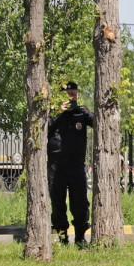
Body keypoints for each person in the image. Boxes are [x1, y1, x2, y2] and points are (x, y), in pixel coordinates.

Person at [47, 81, 92, 247]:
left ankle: (80, 237)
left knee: (80, 202)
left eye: (72, 94)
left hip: (76, 164)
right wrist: (58, 111)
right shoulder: (53, 113)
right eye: (66, 94)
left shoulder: (81, 112)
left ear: (77, 95)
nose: (69, 97)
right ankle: (62, 237)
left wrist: (83, 110)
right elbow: (44, 128)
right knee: (57, 203)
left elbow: (96, 121)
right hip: (56, 165)